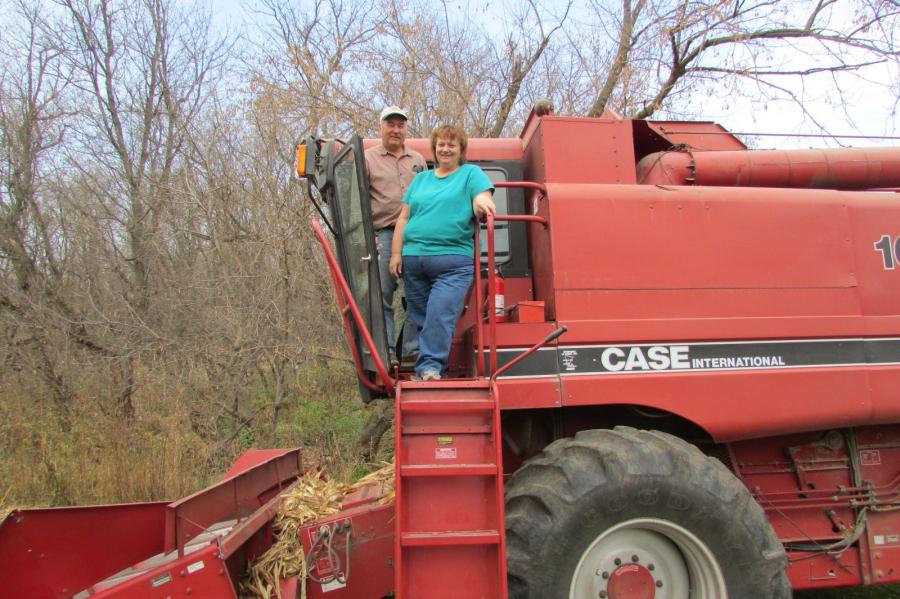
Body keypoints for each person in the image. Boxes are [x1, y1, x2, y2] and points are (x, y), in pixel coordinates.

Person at [389, 125, 496, 380]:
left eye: (452, 145)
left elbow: (482, 197)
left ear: (461, 150)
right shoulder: (422, 179)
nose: (445, 149)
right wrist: (396, 254)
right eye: (441, 144)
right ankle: (430, 365)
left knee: (439, 313)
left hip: (453, 262)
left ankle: (429, 368)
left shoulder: (471, 174)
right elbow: (404, 218)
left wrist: (482, 203)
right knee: (420, 316)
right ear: (434, 148)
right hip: (414, 260)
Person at [365, 106, 426, 363]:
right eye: (390, 124)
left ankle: (411, 350)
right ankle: (387, 351)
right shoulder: (368, 159)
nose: (396, 130)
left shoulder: (418, 160)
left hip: (417, 236)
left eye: (400, 125)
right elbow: (358, 201)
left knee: (419, 294)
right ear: (381, 127)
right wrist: (371, 235)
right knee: (383, 297)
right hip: (386, 236)